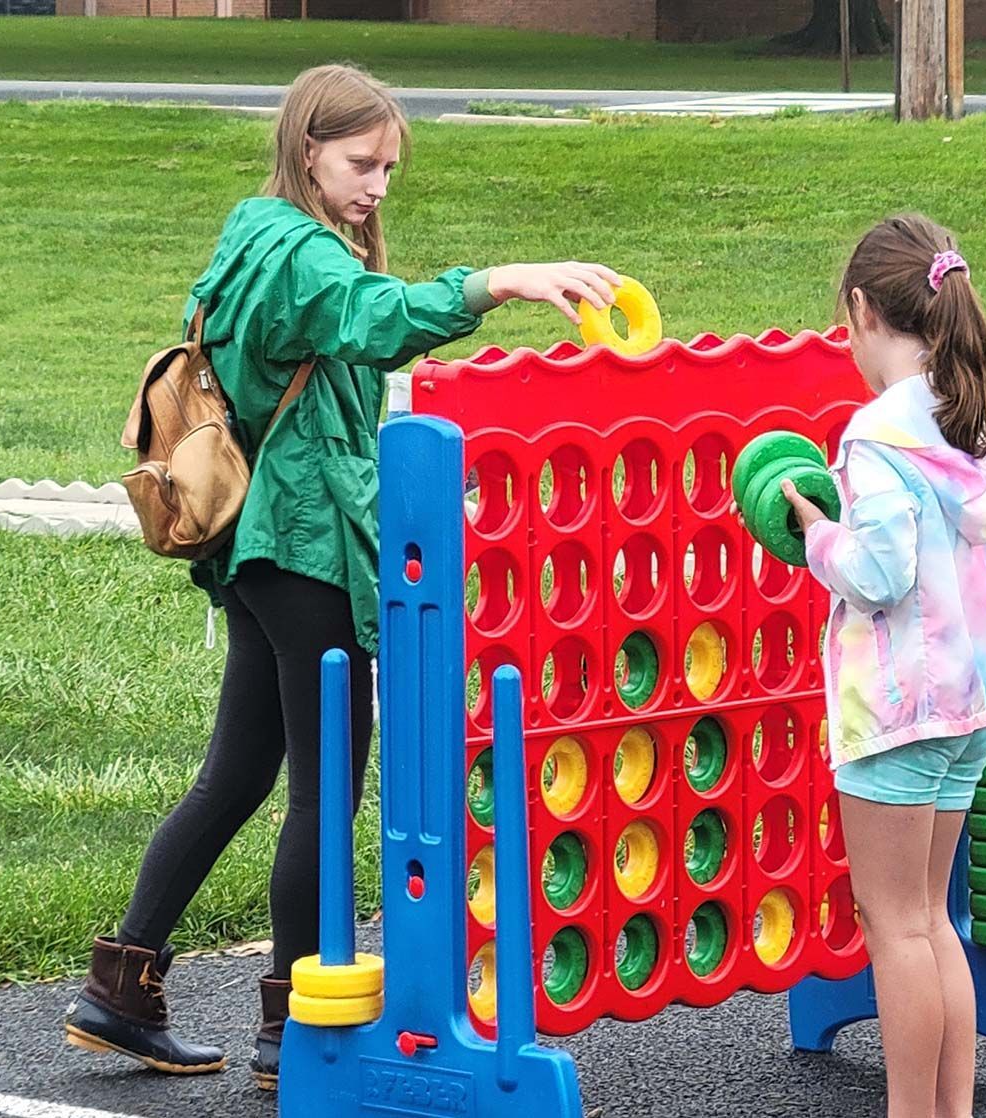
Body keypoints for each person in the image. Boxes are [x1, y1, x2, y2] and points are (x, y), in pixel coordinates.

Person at [63, 63, 620, 1090]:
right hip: (303, 542)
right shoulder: (299, 255)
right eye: (361, 162)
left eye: (389, 167)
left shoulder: (255, 231)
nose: (377, 185)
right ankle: (294, 1032)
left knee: (239, 771)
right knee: (325, 788)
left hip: (265, 546)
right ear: (306, 147)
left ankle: (122, 984)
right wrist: (501, 281)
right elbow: (372, 316)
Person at [777, 215, 986, 1118]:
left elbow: (878, 574)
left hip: (902, 714)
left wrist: (814, 530)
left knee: (897, 928)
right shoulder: (969, 416)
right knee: (930, 922)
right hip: (970, 703)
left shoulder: (877, 433)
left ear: (862, 310)